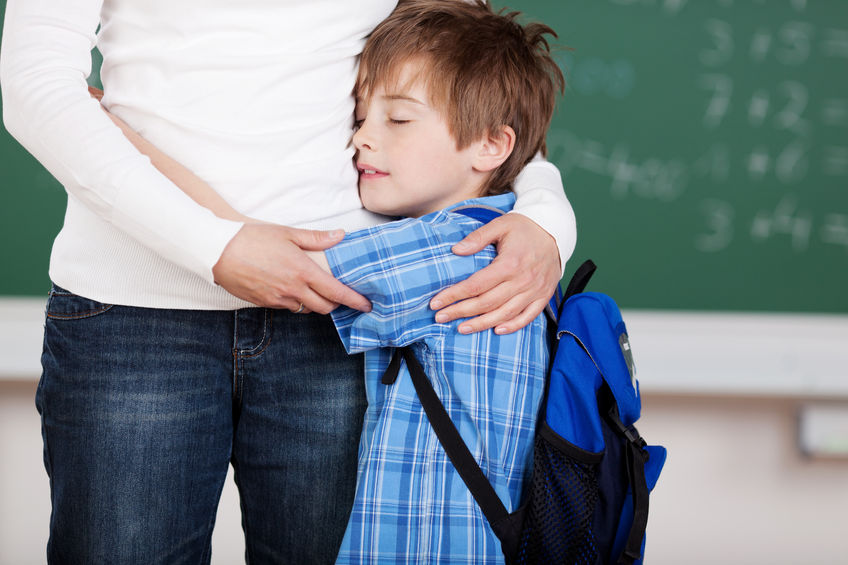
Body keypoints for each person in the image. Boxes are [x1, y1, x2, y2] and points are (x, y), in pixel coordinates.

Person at [0, 1, 576, 563]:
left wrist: (546, 214)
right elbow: (35, 79)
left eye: (392, 119)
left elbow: (465, 60)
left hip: (337, 326)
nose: (362, 138)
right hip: (133, 307)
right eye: (360, 116)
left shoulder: (397, 269)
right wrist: (215, 247)